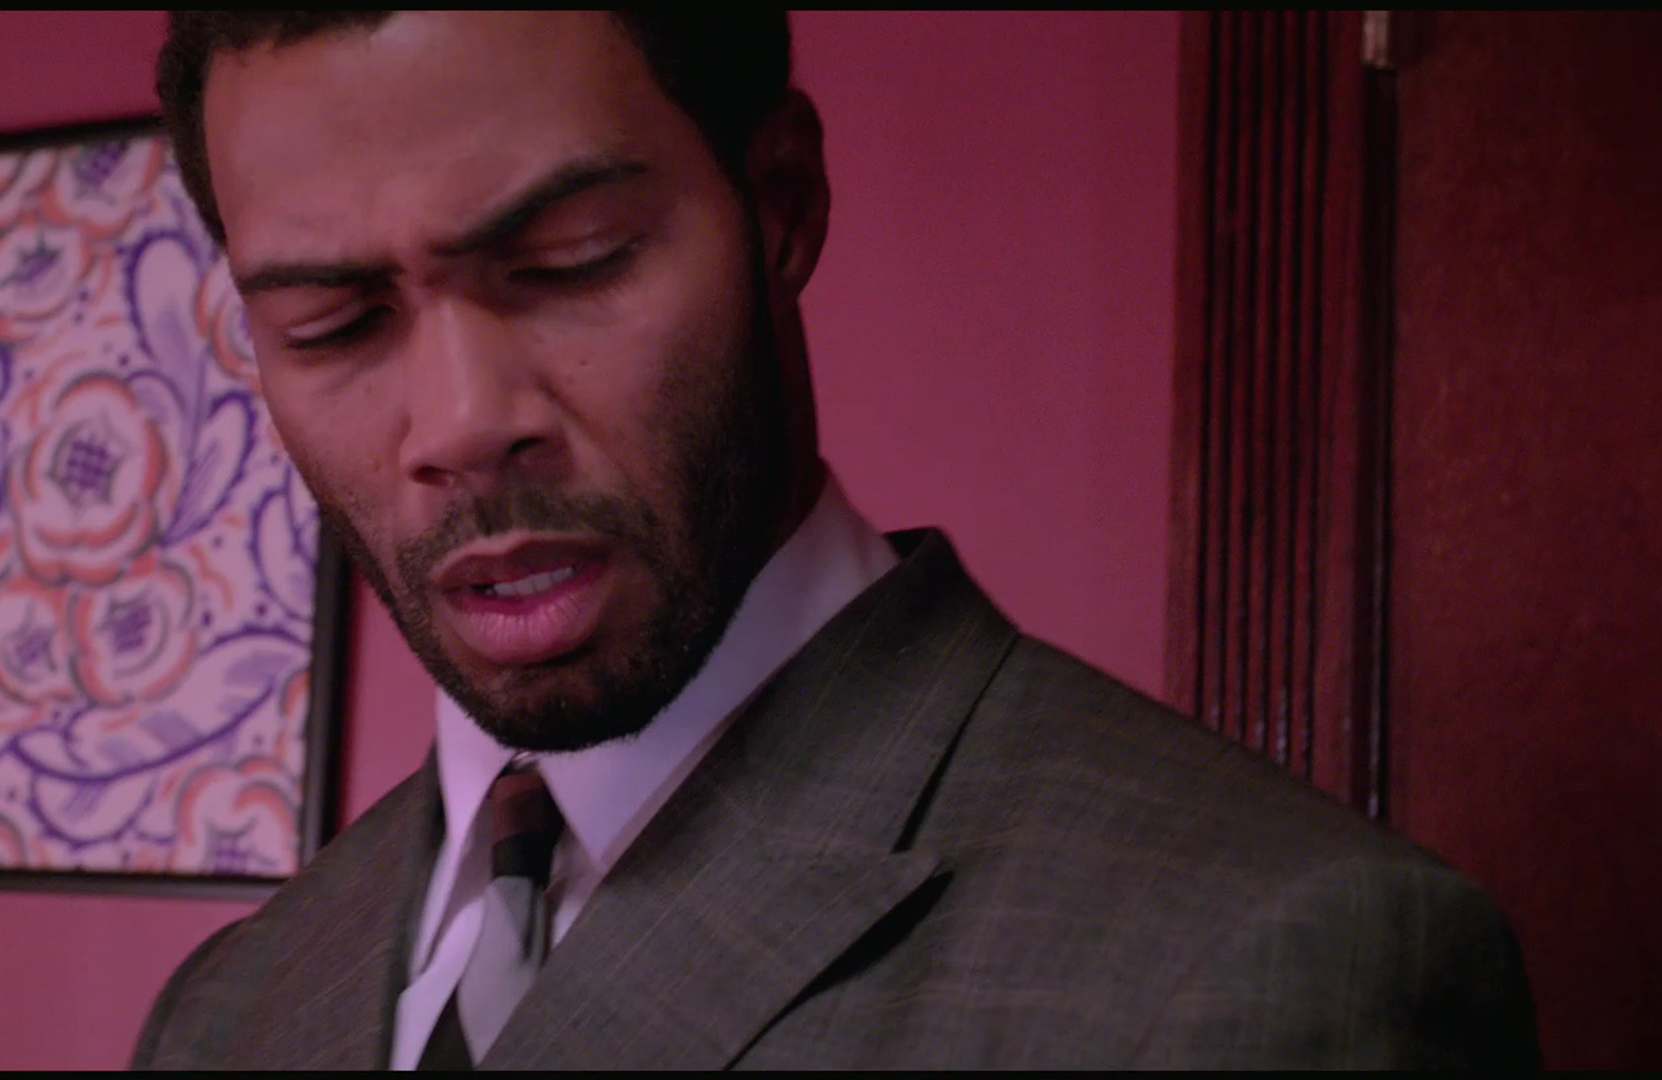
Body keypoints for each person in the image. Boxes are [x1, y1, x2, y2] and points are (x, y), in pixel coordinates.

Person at [131, 11, 1538, 1069]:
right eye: (336, 326)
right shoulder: (224, 1011)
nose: (460, 424)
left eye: (568, 264)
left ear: (781, 205)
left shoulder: (1272, 969)